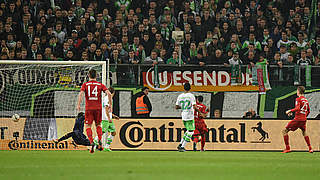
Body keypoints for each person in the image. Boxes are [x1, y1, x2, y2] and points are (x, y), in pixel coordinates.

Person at [77, 69, 112, 153]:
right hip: (98, 108)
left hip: (89, 108)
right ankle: (99, 140)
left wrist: (78, 104)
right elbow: (109, 94)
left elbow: (81, 94)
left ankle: (91, 141)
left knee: (88, 126)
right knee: (98, 125)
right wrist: (110, 104)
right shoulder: (100, 84)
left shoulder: (85, 84)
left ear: (88, 75)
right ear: (96, 75)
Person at [283, 86, 313, 153]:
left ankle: (287, 148)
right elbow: (308, 111)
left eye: (297, 91)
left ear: (298, 91)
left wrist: (289, 110)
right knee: (304, 132)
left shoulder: (298, 99)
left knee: (284, 131)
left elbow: (298, 108)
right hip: (303, 119)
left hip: (298, 119)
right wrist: (304, 116)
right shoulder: (305, 100)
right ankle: (310, 148)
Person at [94, 87, 119, 152]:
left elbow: (108, 110)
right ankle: (94, 142)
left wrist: (113, 116)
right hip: (105, 118)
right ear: (113, 93)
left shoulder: (109, 99)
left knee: (113, 133)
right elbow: (106, 108)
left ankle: (106, 147)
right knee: (102, 132)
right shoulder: (107, 98)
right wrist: (108, 118)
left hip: (109, 118)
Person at [175, 82, 198, 152]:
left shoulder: (180, 96)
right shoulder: (191, 96)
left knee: (188, 130)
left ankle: (180, 144)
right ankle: (182, 146)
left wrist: (183, 106)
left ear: (183, 88)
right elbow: (194, 106)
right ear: (190, 88)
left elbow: (176, 106)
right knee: (191, 131)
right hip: (189, 115)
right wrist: (200, 113)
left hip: (183, 115)